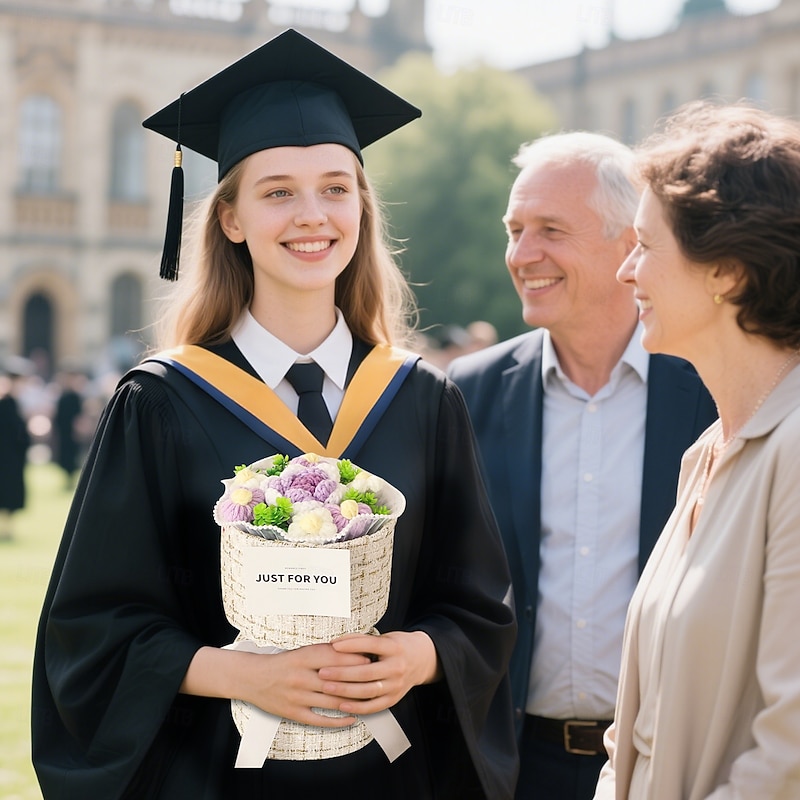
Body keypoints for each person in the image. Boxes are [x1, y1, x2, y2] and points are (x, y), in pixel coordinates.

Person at [31, 29, 517, 800]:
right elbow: (93, 630)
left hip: (392, 780)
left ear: (361, 206)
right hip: (214, 777)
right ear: (230, 218)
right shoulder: (161, 403)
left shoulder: (423, 399)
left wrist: (420, 656)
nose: (312, 215)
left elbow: (478, 607)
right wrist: (240, 674)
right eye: (278, 192)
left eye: (335, 188)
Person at [447, 132, 716, 800]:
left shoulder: (713, 392)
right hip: (512, 767)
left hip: (669, 765)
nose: (521, 255)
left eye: (550, 230)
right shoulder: (466, 394)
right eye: (514, 231)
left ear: (630, 244)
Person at [596, 101, 800, 799]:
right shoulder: (707, 453)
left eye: (646, 246)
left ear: (727, 273)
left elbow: (789, 759)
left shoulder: (794, 452)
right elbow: (634, 733)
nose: (626, 272)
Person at [0, 357, 32, 541]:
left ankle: (7, 528)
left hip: (13, 457)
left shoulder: (13, 403)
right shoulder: (5, 403)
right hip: (5, 457)